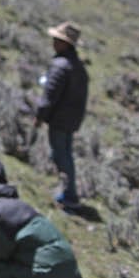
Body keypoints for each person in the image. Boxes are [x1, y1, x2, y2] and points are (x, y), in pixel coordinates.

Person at [35, 22, 89, 212]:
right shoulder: (77, 66)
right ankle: (69, 192)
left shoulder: (60, 66)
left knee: (61, 156)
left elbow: (50, 95)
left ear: (66, 44)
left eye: (57, 40)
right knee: (66, 154)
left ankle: (69, 196)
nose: (54, 42)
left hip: (60, 120)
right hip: (71, 120)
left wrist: (40, 116)